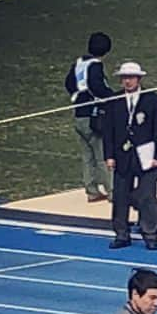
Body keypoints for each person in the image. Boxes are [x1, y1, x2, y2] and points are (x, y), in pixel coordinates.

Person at [103, 61, 157, 250]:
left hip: (146, 156)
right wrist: (109, 155)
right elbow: (108, 131)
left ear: (139, 79)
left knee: (147, 195)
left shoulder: (152, 100)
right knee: (120, 196)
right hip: (123, 155)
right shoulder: (114, 101)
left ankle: (150, 233)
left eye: (130, 78)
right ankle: (122, 233)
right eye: (124, 78)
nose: (127, 81)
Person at [64, 31, 113, 203]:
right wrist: (110, 98)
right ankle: (112, 191)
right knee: (102, 155)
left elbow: (69, 83)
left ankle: (91, 190)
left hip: (79, 114)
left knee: (87, 156)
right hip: (93, 116)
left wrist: (77, 96)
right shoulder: (95, 65)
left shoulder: (78, 63)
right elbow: (97, 87)